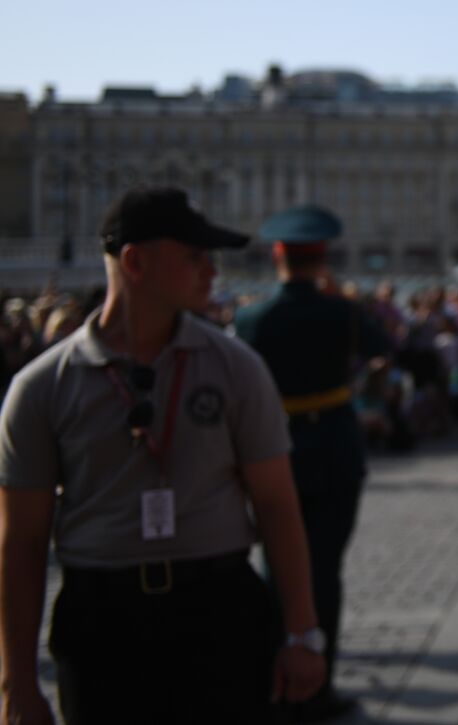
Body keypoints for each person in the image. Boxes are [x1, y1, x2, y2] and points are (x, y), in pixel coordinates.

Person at [0, 187, 324, 725]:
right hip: (100, 622)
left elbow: (277, 506)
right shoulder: (41, 389)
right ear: (135, 262)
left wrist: (302, 631)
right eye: (194, 256)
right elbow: (21, 541)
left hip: (219, 611)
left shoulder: (236, 368)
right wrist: (16, 682)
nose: (211, 271)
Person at [234, 204, 389, 721]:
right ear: (322, 258)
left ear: (277, 254)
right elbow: (385, 348)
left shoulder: (251, 316)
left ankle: (273, 676)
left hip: (270, 452)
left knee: (274, 564)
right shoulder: (341, 311)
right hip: (336, 449)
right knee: (324, 569)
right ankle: (316, 680)